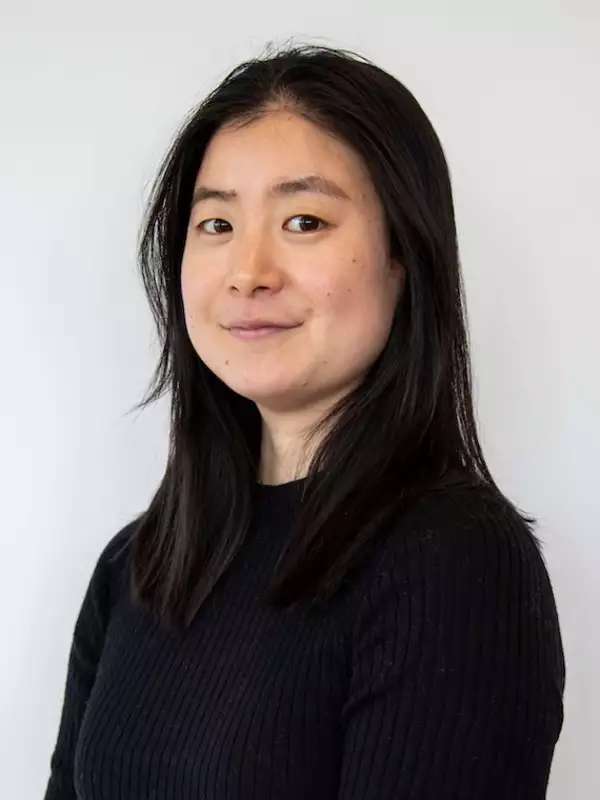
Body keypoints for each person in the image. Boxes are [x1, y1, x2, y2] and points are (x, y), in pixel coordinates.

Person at [43, 41, 566, 799]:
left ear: (403, 261)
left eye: (305, 221)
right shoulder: (137, 567)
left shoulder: (454, 561)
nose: (248, 271)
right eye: (216, 225)